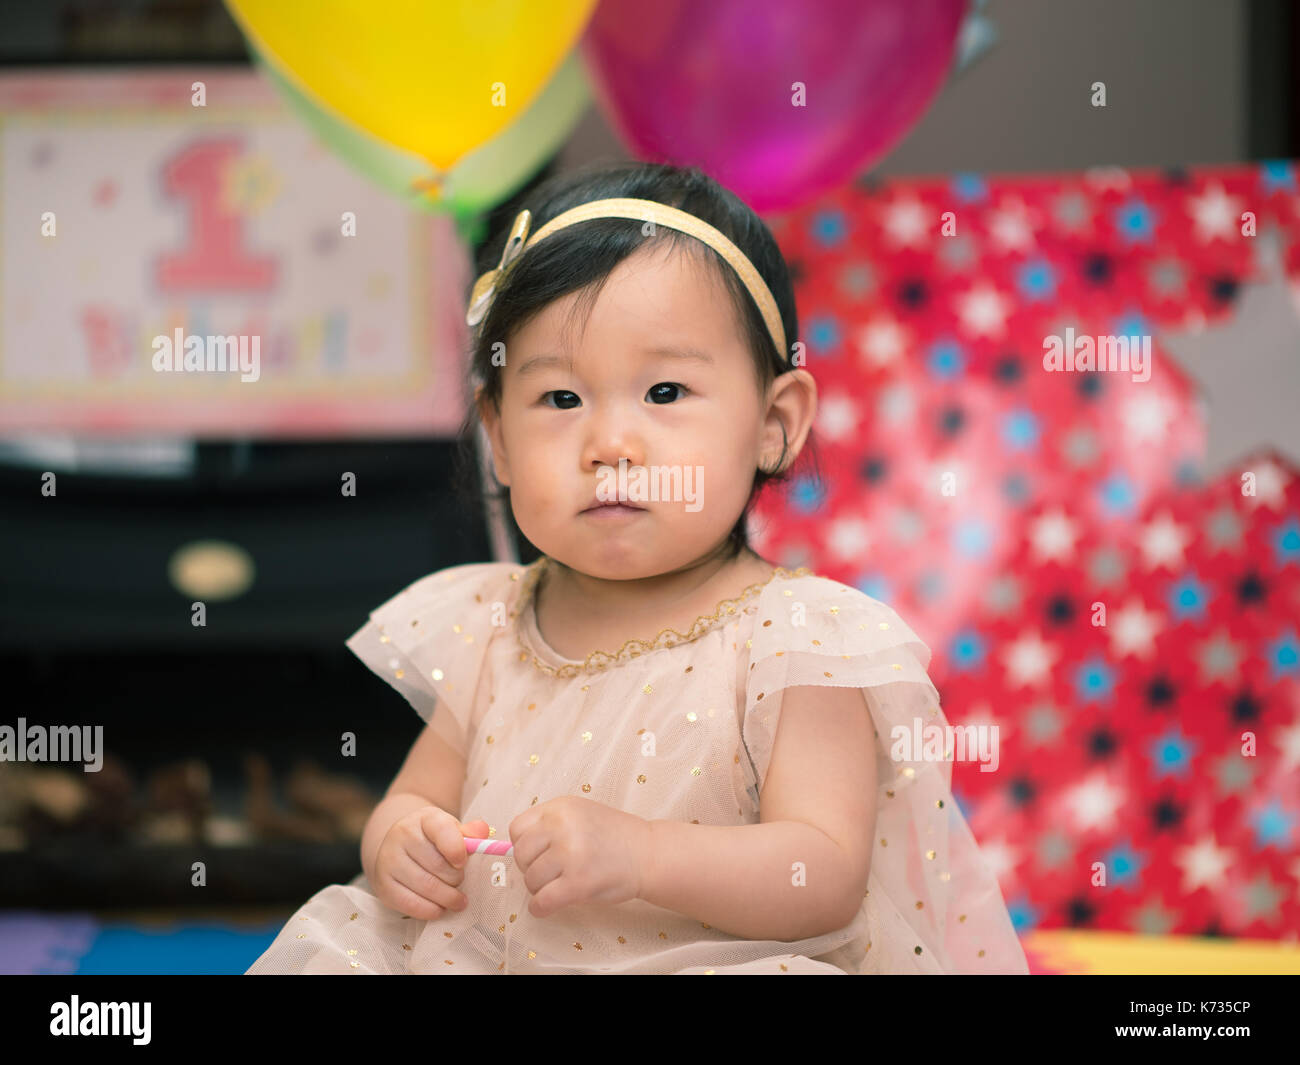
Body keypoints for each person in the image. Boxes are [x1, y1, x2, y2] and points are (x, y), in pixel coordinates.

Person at [246, 161, 1028, 974]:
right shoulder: (492, 622)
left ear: (774, 423)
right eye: (560, 399)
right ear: (500, 435)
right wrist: (401, 841)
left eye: (663, 391)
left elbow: (822, 871)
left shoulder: (800, 640)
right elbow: (411, 798)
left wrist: (645, 855)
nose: (610, 445)